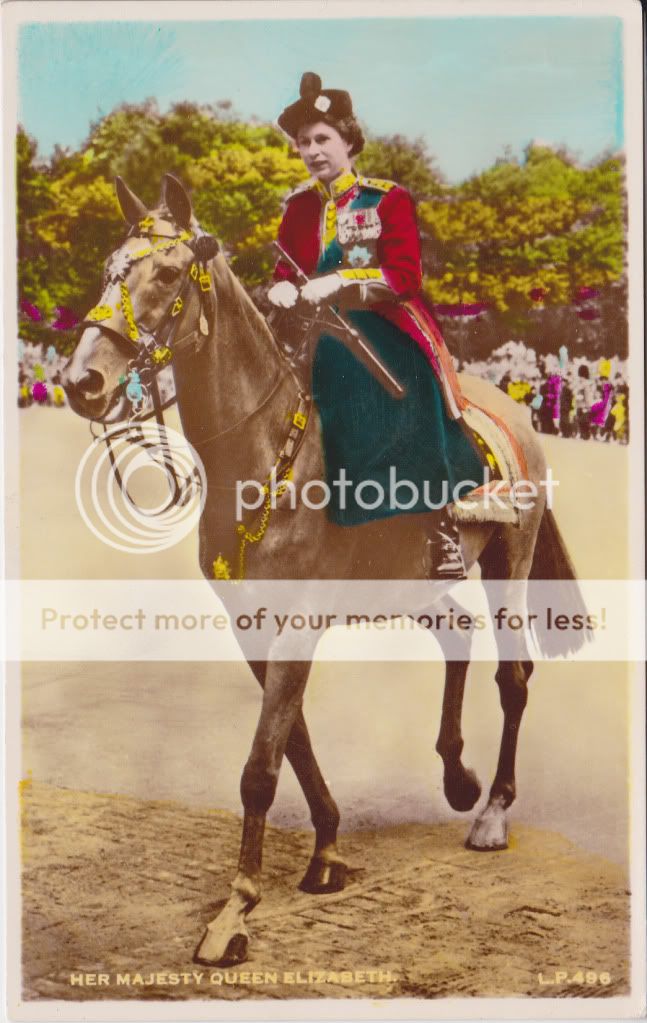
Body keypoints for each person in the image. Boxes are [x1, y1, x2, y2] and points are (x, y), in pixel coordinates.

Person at [268, 72, 488, 580]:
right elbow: (285, 269)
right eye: (304, 143)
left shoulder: (386, 199)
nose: (313, 151)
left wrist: (343, 281)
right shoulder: (298, 208)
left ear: (348, 141)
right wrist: (277, 288)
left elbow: (405, 277)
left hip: (383, 325)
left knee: (405, 397)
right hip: (313, 330)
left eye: (323, 139)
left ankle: (439, 528)